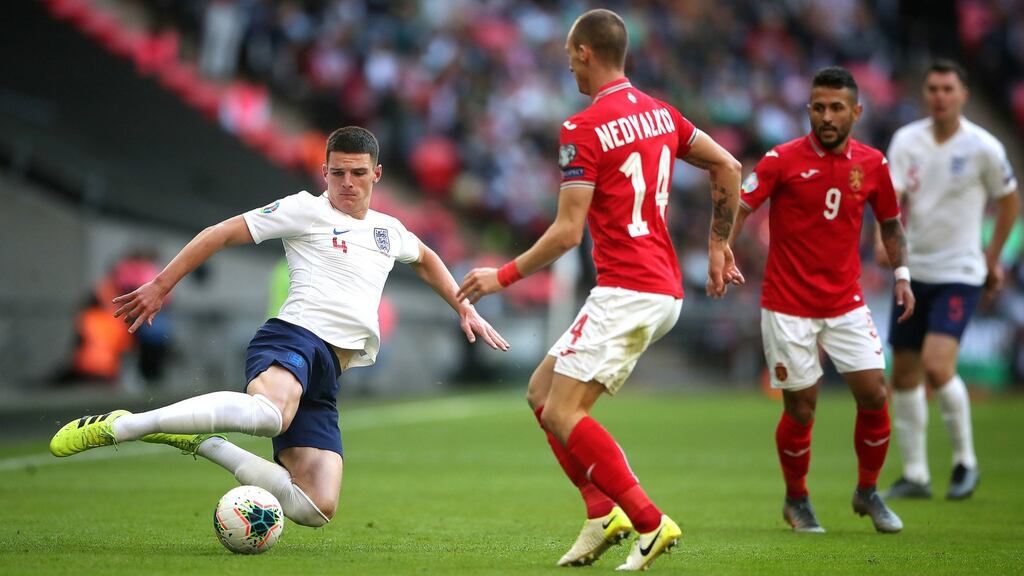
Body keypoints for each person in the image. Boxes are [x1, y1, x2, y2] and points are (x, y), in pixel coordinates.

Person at [49, 126, 508, 529]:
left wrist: (463, 306)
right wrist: (161, 284)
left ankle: (203, 443)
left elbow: (426, 259)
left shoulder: (389, 230)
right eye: (337, 173)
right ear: (324, 172)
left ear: (377, 174)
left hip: (329, 370)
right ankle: (126, 426)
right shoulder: (305, 210)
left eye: (357, 173)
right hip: (294, 338)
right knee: (269, 417)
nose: (346, 183)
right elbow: (221, 232)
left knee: (315, 507)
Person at [458, 9, 743, 571]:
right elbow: (729, 167)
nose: (569, 67)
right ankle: (600, 511)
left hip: (628, 288)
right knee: (542, 396)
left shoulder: (582, 128)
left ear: (585, 51)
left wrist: (503, 275)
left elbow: (567, 232)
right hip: (658, 288)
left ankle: (647, 519)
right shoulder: (662, 114)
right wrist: (718, 245)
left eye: (570, 57)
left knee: (563, 412)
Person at [729, 67, 915, 534]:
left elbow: (890, 222)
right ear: (808, 109)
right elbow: (741, 206)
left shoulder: (873, 164)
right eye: (818, 107)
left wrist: (902, 275)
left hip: (846, 302)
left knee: (875, 394)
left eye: (836, 108)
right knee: (801, 408)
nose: (826, 116)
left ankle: (868, 490)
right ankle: (796, 500)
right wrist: (721, 253)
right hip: (787, 305)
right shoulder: (781, 159)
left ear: (856, 111)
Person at [878, 60, 1020, 501]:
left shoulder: (984, 147)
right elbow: (892, 201)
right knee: (902, 373)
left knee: (938, 366)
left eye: (947, 88)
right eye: (933, 88)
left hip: (960, 272)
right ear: (926, 94)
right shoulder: (907, 141)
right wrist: (888, 243)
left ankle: (965, 463)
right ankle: (917, 475)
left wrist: (990, 258)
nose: (939, 96)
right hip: (913, 271)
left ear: (964, 95)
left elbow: (1009, 203)